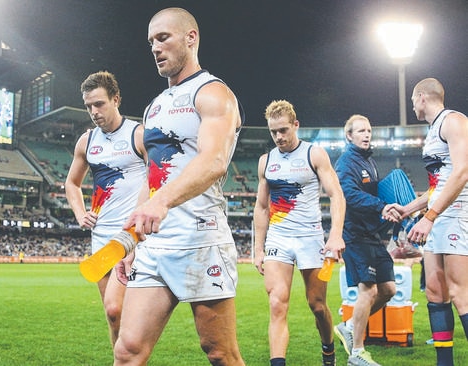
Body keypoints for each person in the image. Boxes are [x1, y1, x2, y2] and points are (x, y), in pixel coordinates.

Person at [113, 7, 245, 365]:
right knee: (127, 350)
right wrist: (130, 238)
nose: (155, 48)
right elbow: (152, 177)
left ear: (191, 38)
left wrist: (162, 202)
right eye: (151, 41)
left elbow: (214, 161)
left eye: (163, 38)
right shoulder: (155, 107)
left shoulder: (213, 93)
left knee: (219, 352)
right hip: (156, 244)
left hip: (200, 238)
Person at [253, 100, 345, 366]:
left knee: (317, 305)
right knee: (277, 303)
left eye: (283, 130)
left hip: (310, 238)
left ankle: (328, 349)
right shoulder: (265, 161)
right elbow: (261, 207)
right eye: (274, 132)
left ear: (296, 125)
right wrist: (259, 249)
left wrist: (335, 234)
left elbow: (336, 195)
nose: (279, 137)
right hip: (278, 240)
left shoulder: (314, 154)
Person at [387, 78, 468, 366]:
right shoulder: (433, 131)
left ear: (422, 97)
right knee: (436, 291)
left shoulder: (454, 120)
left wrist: (430, 217)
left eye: (413, 100)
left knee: (461, 294)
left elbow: (462, 172)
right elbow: (438, 185)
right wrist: (409, 209)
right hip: (439, 218)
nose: (412, 106)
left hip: (457, 215)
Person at [64, 71, 147, 347]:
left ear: (116, 99)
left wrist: (139, 225)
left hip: (131, 239)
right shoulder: (87, 142)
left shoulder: (138, 135)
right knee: (113, 316)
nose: (93, 111)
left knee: (117, 308)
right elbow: (72, 183)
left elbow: (157, 180)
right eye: (88, 106)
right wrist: (79, 213)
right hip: (100, 239)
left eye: (99, 104)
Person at [333, 114, 397, 366]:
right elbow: (348, 194)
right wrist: (381, 207)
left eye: (368, 130)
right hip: (355, 235)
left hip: (371, 235)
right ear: (349, 135)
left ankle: (349, 326)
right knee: (368, 290)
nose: (366, 134)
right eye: (360, 131)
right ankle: (357, 353)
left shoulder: (368, 162)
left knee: (388, 290)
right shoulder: (346, 162)